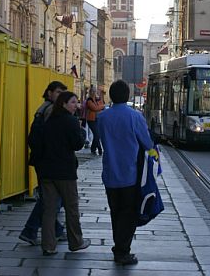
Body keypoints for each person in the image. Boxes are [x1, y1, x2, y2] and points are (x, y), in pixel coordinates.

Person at [98, 79, 153, 265]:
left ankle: (118, 246)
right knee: (128, 214)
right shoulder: (135, 116)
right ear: (127, 95)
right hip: (130, 174)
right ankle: (122, 251)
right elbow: (147, 143)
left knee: (115, 212)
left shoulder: (103, 117)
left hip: (110, 173)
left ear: (111, 96)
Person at [39, 91, 91, 256]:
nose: (77, 105)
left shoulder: (48, 120)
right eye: (73, 102)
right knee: (71, 207)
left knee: (49, 209)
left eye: (77, 102)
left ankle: (48, 245)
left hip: (47, 171)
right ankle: (76, 242)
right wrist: (82, 134)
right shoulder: (71, 121)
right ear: (63, 104)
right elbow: (77, 145)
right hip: (65, 172)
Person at [19, 81, 67, 246]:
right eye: (58, 92)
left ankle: (55, 230)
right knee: (51, 199)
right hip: (48, 161)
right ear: (49, 93)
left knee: (49, 198)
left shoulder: (43, 108)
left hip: (42, 159)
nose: (60, 96)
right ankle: (30, 230)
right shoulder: (50, 110)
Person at [86, 86, 105, 155]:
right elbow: (95, 108)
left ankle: (93, 149)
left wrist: (101, 96)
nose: (94, 93)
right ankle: (99, 149)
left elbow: (101, 105)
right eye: (93, 91)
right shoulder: (89, 100)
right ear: (90, 92)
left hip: (97, 119)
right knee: (97, 134)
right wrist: (101, 107)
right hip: (91, 120)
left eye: (95, 91)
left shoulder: (96, 99)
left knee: (98, 135)